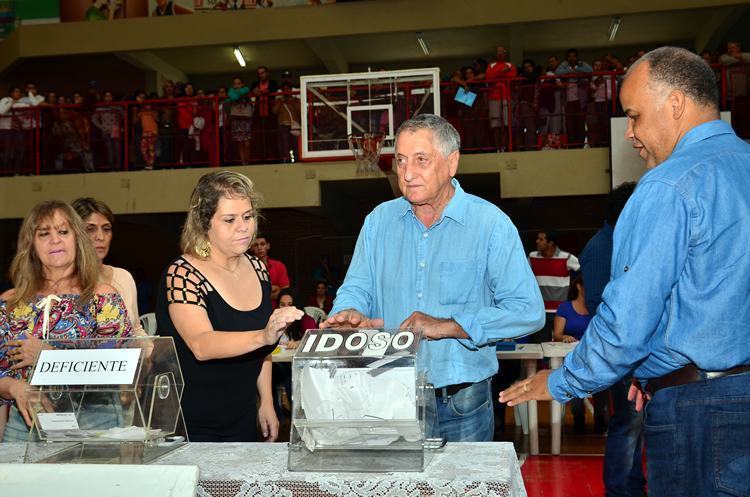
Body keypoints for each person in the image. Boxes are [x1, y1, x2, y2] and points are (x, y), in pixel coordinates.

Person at [500, 47, 750, 497]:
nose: (630, 133)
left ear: (675, 104)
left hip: (701, 413)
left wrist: (561, 381)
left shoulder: (669, 184)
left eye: (634, 116)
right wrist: (654, 371)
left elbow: (628, 320)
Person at [323, 114, 544, 442]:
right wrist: (350, 312)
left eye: (421, 160)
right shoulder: (378, 222)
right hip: (386, 397)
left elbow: (528, 311)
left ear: (452, 162)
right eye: (400, 161)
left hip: (461, 403)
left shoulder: (490, 225)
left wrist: (450, 325)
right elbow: (357, 286)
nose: (408, 174)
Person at [156, 170, 303, 442]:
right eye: (229, 219)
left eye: (248, 216)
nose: (243, 227)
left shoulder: (258, 268)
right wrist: (264, 336)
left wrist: (267, 401)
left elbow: (261, 351)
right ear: (204, 223)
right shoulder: (183, 273)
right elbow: (201, 344)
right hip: (193, 421)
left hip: (243, 414)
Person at [0, 201, 132, 441]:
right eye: (44, 234)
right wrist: (14, 388)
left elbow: (117, 368)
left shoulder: (103, 297)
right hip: (26, 424)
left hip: (94, 420)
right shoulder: (10, 303)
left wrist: (48, 354)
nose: (55, 240)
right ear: (31, 244)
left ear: (77, 239)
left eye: (63, 232)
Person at [579, 182, 644, 497]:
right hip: (620, 351)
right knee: (627, 425)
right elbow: (596, 305)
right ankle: (620, 490)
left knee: (637, 425)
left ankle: (632, 485)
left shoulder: (626, 241)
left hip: (636, 349)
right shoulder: (600, 247)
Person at [72, 198, 145, 336]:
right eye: (90, 229)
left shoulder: (123, 276)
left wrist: (155, 355)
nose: (100, 237)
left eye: (106, 229)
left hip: (124, 356)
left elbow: (136, 330)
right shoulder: (64, 282)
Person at [552, 272, 607, 434]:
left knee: (602, 379)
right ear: (579, 286)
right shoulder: (565, 308)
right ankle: (578, 419)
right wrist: (565, 337)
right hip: (573, 357)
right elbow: (557, 334)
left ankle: (600, 418)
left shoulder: (598, 308)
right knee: (575, 378)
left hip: (595, 356)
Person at [272, 288, 317, 421]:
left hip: (302, 367)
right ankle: (277, 417)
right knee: (269, 375)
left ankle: (296, 416)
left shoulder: (305, 320)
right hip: (277, 363)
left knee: (290, 374)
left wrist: (300, 342)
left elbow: (314, 338)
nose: (286, 308)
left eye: (290, 304)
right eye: (282, 304)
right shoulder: (273, 321)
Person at [528, 228, 580, 342]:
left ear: (550, 243)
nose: (537, 241)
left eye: (541, 239)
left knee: (563, 345)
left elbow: (584, 273)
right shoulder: (532, 257)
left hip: (561, 311)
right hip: (541, 312)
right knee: (543, 349)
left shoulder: (566, 258)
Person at [250, 235, 290, 302]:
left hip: (277, 310)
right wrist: (273, 288)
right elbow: (250, 296)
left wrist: (262, 294)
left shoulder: (279, 266)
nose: (259, 248)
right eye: (256, 245)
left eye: (262, 244)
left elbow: (285, 294)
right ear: (251, 248)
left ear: (268, 246)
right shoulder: (248, 268)